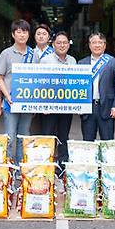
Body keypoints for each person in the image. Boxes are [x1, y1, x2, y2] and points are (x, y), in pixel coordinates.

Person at [0, 19, 35, 163]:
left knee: (23, 137)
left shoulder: (33, 55)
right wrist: (7, 96)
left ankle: (20, 167)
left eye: (24, 32)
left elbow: (37, 79)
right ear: (13, 34)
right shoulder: (6, 54)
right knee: (10, 136)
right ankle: (8, 168)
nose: (22, 35)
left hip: (27, 103)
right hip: (10, 102)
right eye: (18, 32)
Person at [40, 31, 76, 163]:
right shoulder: (45, 60)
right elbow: (39, 84)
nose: (62, 45)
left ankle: (62, 164)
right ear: (53, 44)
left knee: (63, 135)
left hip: (66, 106)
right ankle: (46, 164)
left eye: (65, 42)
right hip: (49, 106)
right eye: (59, 43)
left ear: (69, 44)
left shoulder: (72, 60)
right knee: (47, 135)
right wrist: (42, 104)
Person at [78, 32, 115, 141]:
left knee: (107, 142)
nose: (97, 45)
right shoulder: (81, 63)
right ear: (89, 45)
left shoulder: (113, 62)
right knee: (88, 143)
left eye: (100, 42)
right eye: (94, 42)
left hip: (107, 107)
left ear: (105, 45)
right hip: (88, 108)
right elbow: (77, 87)